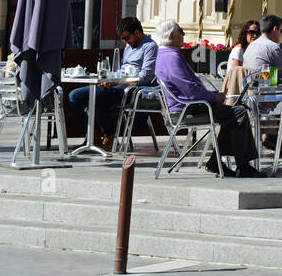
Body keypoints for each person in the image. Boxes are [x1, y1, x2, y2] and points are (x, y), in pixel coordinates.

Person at [154, 18, 262, 177]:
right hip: (187, 109)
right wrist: (213, 96)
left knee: (230, 114)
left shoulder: (164, 54)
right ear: (171, 36)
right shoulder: (171, 57)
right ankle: (243, 166)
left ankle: (216, 161)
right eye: (181, 32)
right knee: (238, 113)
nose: (184, 35)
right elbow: (190, 90)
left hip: (187, 106)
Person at [68, 16, 157, 151]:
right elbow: (121, 70)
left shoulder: (150, 46)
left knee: (97, 99)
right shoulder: (129, 46)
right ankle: (95, 135)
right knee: (74, 95)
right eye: (123, 39)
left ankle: (108, 134)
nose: (125, 42)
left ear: (137, 33)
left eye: (127, 38)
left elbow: (144, 77)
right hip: (117, 84)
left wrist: (115, 82)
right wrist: (110, 79)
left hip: (132, 89)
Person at [222, 19, 261, 101]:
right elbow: (239, 72)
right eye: (251, 32)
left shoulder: (251, 49)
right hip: (235, 85)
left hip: (247, 83)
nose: (254, 36)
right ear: (245, 33)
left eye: (257, 33)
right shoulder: (239, 49)